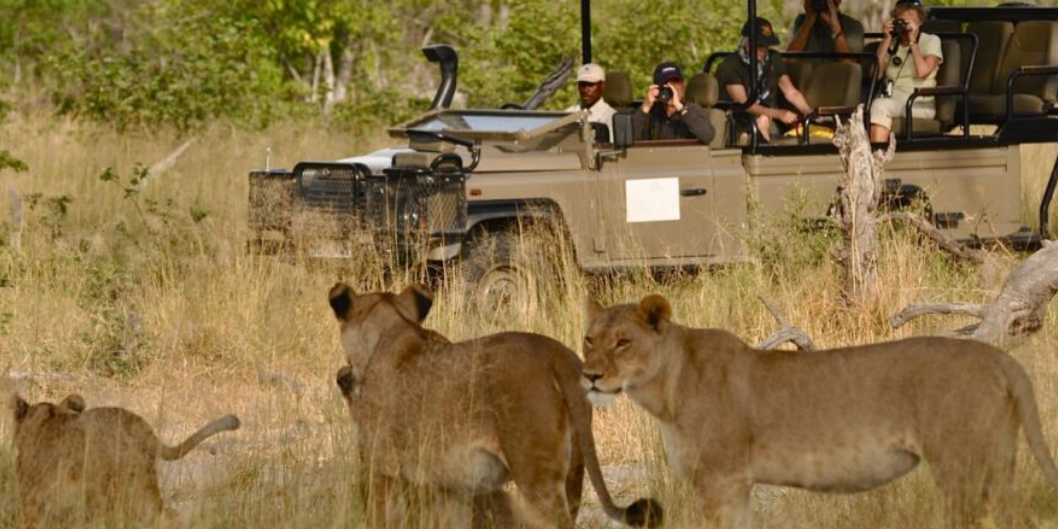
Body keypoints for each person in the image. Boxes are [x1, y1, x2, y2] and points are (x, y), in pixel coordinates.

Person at [717, 18, 815, 143]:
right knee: (761, 121)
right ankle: (757, 146)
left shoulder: (774, 58)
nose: (764, 49)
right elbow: (744, 103)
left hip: (770, 119)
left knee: (770, 123)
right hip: (738, 121)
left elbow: (791, 92)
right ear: (746, 42)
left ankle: (764, 144)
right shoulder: (730, 66)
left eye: (767, 45)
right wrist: (777, 113)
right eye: (759, 45)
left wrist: (811, 114)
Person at [870, 0, 943, 143]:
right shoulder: (893, 43)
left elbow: (923, 71)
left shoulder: (931, 41)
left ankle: (877, 154)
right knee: (864, 108)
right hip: (890, 101)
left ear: (920, 22)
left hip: (917, 104)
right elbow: (874, 75)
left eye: (909, 22)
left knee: (879, 106)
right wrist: (886, 40)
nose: (904, 26)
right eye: (901, 22)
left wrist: (912, 42)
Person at [632, 62, 715, 143]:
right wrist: (645, 107)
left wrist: (680, 108)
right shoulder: (650, 113)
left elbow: (708, 135)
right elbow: (629, 139)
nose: (673, 88)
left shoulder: (693, 111)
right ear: (657, 88)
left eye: (676, 82)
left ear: (683, 85)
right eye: (666, 84)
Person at [787, 0, 865, 57]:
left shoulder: (853, 26)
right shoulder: (801, 21)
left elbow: (850, 63)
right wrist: (808, 22)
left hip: (835, 75)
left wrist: (836, 28)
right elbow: (790, 59)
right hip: (808, 75)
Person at [566, 63, 616, 135]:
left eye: (590, 85)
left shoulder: (611, 116)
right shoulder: (569, 113)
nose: (585, 90)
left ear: (602, 85)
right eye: (582, 85)